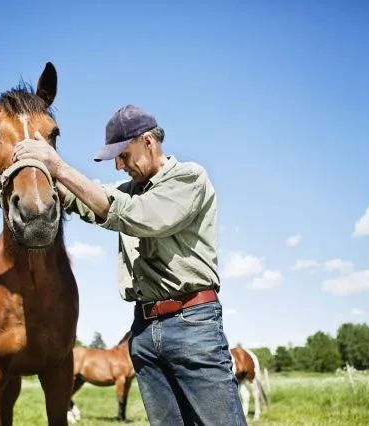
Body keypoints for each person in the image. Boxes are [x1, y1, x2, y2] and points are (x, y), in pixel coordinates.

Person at [13, 105, 247, 425]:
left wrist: (61, 167)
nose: (119, 166)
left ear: (148, 141)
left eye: (123, 155)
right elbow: (84, 199)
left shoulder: (189, 178)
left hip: (193, 325)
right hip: (144, 331)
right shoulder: (130, 190)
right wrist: (34, 168)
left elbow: (138, 216)